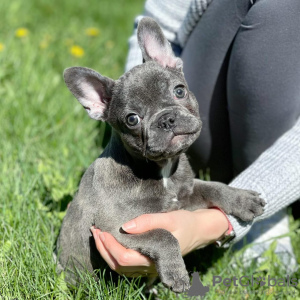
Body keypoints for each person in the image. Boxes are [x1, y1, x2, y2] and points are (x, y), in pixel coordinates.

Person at [90, 0, 300, 277]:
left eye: (177, 93)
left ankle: (264, 212)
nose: (166, 119)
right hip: (205, 126)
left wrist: (213, 224)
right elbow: (158, 24)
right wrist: (129, 104)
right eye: (133, 119)